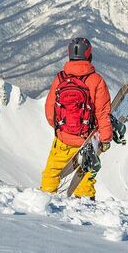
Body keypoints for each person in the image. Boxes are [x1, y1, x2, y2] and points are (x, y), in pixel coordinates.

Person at [40, 37, 113, 198]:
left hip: (62, 141)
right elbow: (103, 112)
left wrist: (62, 129)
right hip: (87, 140)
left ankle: (44, 201)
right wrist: (106, 138)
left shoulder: (60, 79)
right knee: (85, 175)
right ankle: (84, 205)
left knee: (51, 172)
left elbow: (49, 110)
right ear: (89, 55)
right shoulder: (96, 80)